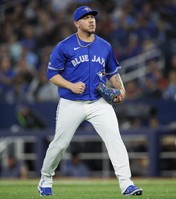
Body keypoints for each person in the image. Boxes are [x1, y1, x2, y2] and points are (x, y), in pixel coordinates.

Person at [37, 6, 143, 196]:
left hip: (99, 102)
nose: (91, 20)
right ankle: (45, 178)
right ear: (76, 23)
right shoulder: (64, 46)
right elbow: (51, 74)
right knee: (60, 144)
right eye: (86, 18)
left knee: (115, 139)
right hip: (71, 102)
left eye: (92, 17)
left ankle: (126, 184)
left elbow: (113, 73)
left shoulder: (105, 46)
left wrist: (121, 90)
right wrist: (70, 85)